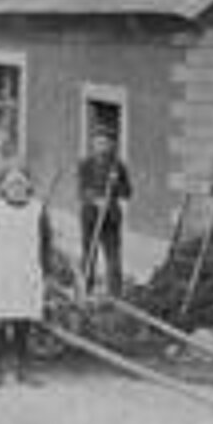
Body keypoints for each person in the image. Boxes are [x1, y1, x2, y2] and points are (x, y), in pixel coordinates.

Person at [0, 166, 52, 387]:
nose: (16, 188)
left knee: (23, 321)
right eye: (12, 184)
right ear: (4, 188)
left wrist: (45, 271)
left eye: (20, 183)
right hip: (0, 270)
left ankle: (23, 369)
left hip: (27, 270)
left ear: (28, 186)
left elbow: (46, 244)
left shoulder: (38, 211)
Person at [77, 126, 132, 297]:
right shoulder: (86, 164)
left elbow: (127, 192)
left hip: (111, 218)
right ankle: (86, 289)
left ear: (111, 145)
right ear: (93, 144)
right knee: (89, 253)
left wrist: (117, 183)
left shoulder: (118, 166)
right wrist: (95, 199)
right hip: (90, 215)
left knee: (113, 256)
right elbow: (81, 190)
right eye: (98, 142)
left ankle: (115, 294)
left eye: (105, 143)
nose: (101, 146)